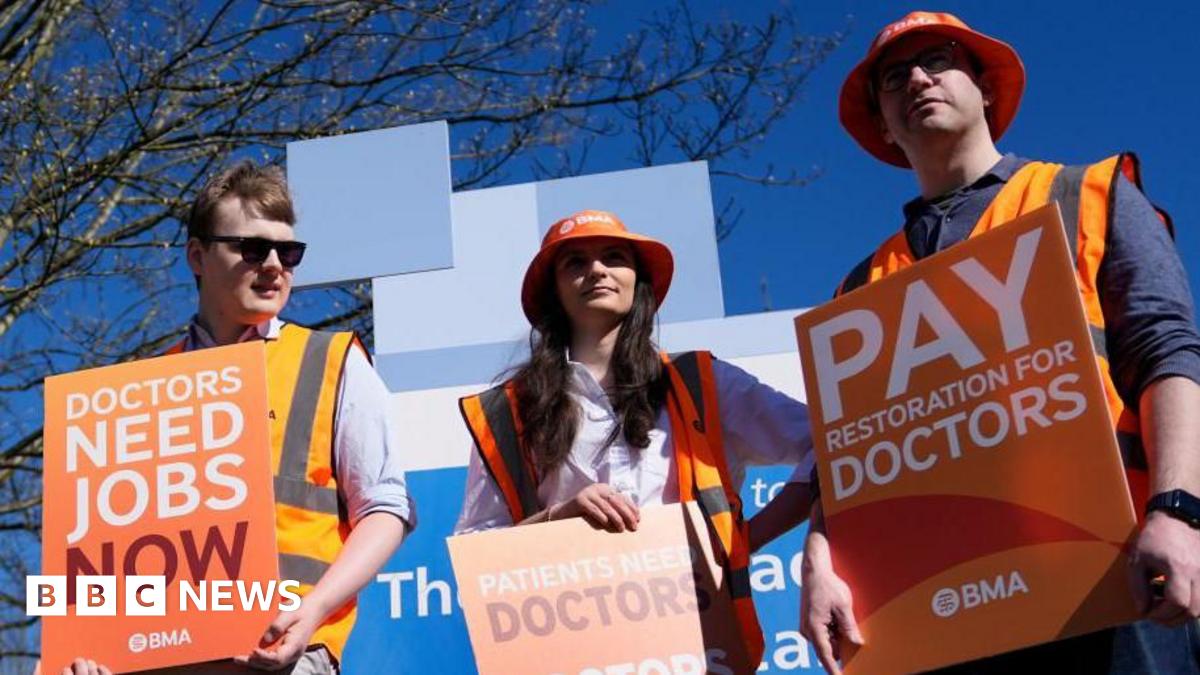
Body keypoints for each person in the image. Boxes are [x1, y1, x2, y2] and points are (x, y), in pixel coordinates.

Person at [800, 11, 1200, 674]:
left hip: (1113, 582)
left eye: (940, 60)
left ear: (985, 88)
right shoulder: (860, 286)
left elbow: (1169, 354)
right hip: (941, 616)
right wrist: (819, 561)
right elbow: (843, 463)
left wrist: (1179, 510)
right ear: (884, 126)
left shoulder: (1087, 195)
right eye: (895, 77)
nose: (918, 80)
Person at [453, 209, 815, 667]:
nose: (596, 270)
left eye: (614, 256)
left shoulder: (703, 382)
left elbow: (824, 445)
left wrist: (740, 543)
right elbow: (475, 554)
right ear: (554, 291)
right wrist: (559, 516)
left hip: (700, 643)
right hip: (570, 650)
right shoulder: (507, 412)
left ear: (637, 280)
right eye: (575, 262)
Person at [116, 161, 413, 674]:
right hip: (160, 657)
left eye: (289, 252)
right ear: (197, 256)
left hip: (282, 651)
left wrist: (314, 609)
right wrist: (82, 645)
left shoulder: (331, 360)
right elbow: (108, 545)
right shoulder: (137, 387)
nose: (275, 264)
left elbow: (385, 507)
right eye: (252, 249)